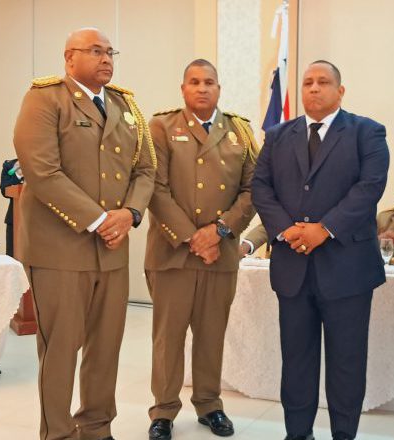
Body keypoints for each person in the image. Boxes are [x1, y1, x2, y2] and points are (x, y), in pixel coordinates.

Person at [13, 27, 156, 440]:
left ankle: (96, 427)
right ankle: (58, 433)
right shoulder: (45, 99)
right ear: (69, 57)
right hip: (60, 249)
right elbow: (41, 170)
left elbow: (146, 168)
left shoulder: (125, 105)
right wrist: (99, 220)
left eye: (110, 51)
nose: (106, 58)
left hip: (112, 249)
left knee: (106, 347)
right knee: (60, 350)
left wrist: (130, 213)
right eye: (95, 51)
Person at [251, 60, 389, 440]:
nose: (314, 88)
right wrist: (286, 229)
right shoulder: (278, 136)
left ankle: (344, 434)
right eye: (308, 82)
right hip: (293, 268)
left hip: (348, 271)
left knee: (347, 364)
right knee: (297, 362)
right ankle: (298, 434)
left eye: (323, 82)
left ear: (340, 91)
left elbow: (370, 187)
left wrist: (324, 229)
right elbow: (260, 187)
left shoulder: (367, 132)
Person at [144, 59, 257, 440]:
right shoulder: (161, 127)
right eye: (194, 82)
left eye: (209, 82)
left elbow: (253, 189)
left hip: (220, 253)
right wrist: (194, 238)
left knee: (211, 335)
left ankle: (209, 404)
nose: (202, 88)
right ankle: (163, 411)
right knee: (168, 338)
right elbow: (155, 189)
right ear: (183, 89)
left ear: (219, 89)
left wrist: (219, 232)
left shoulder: (240, 131)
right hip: (172, 253)